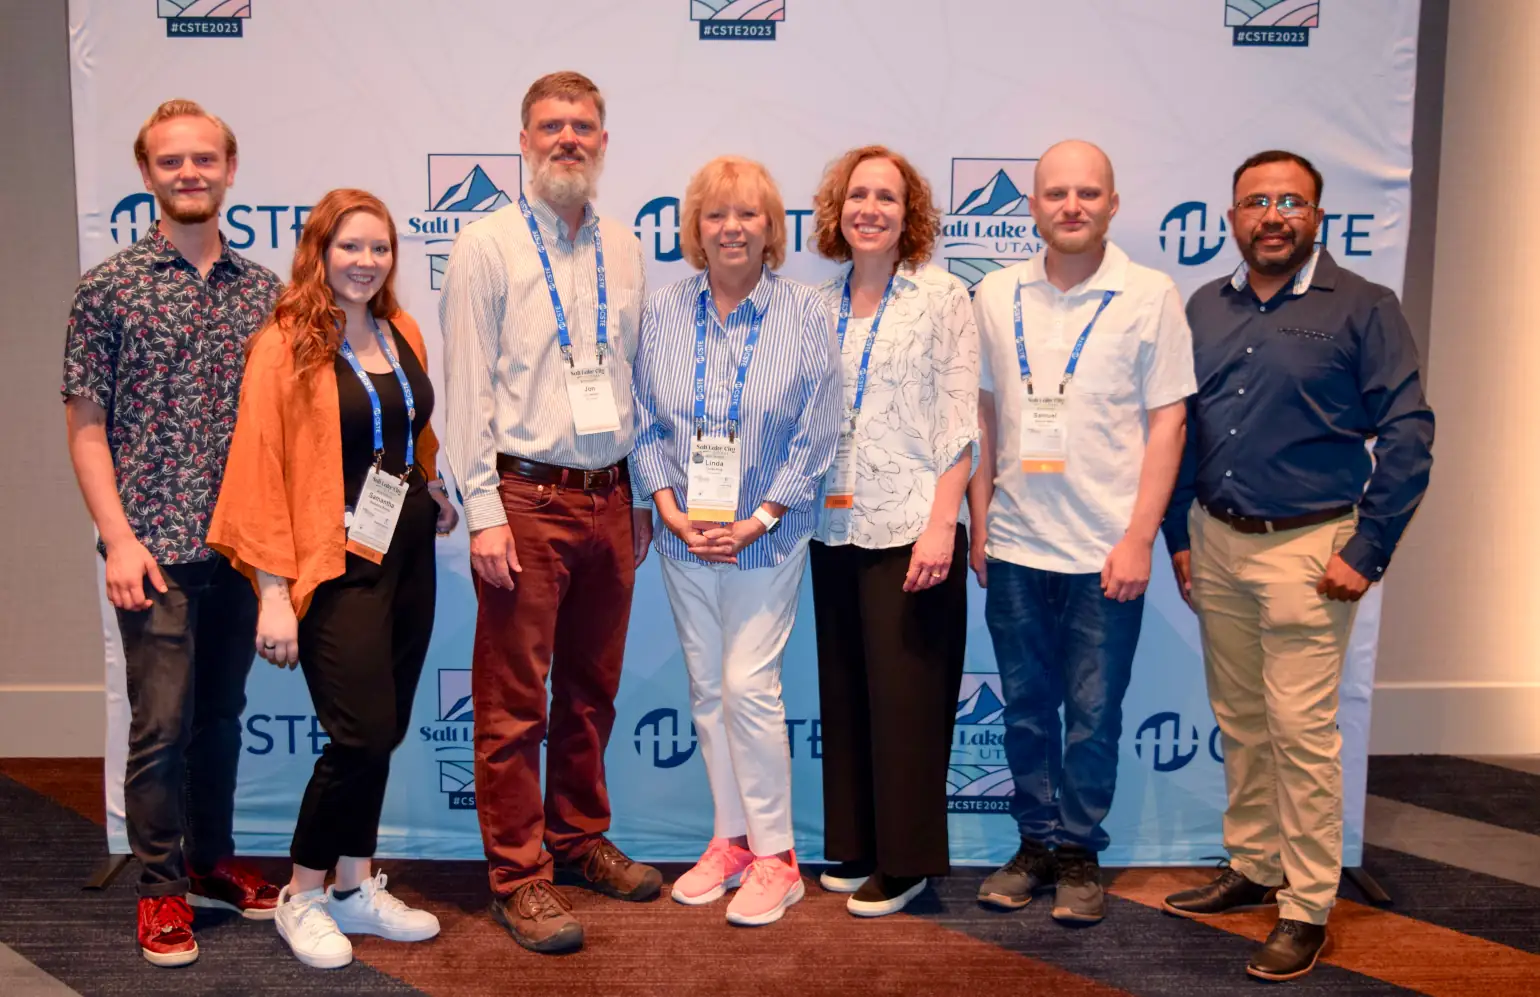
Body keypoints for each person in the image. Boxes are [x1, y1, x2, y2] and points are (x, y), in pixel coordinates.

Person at [1160, 150, 1434, 982]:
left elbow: (1410, 433)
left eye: (1290, 201)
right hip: (1216, 537)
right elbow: (1181, 433)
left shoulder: (1364, 307)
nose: (1272, 215)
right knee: (1241, 717)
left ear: (1316, 215)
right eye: (1255, 202)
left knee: (1302, 731)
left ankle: (1307, 904)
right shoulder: (1204, 306)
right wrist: (1178, 534)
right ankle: (1253, 863)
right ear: (1231, 217)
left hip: (1313, 550)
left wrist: (1368, 547)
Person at [439, 71, 659, 956]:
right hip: (524, 498)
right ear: (522, 140)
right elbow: (464, 394)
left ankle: (577, 839)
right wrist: (484, 511)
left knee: (592, 692)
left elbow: (634, 379)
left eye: (583, 126)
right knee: (513, 700)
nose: (567, 139)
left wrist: (640, 494)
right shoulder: (486, 245)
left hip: (610, 496)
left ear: (604, 141)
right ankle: (519, 876)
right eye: (550, 126)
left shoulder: (626, 244)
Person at [207, 189, 454, 969]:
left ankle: (355, 884)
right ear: (318, 250)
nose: (365, 262)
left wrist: (432, 485)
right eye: (350, 246)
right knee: (359, 732)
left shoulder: (399, 326)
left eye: (379, 248)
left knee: (385, 730)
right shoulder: (286, 342)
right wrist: (274, 591)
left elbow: (408, 424)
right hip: (332, 562)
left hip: (407, 550)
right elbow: (260, 463)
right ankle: (301, 891)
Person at [61, 99, 282, 967]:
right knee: (159, 728)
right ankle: (158, 891)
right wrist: (117, 536)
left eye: (204, 159)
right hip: (149, 551)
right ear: (148, 174)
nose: (189, 173)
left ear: (230, 169)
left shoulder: (265, 292)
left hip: (238, 550)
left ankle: (208, 860)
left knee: (222, 720)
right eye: (170, 162)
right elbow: (85, 424)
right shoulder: (108, 288)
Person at [967, 140, 1194, 924]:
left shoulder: (1150, 293)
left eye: (1088, 193)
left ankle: (1080, 852)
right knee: (1027, 710)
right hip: (1018, 546)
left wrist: (1140, 537)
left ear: (1113, 203)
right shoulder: (995, 294)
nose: (1072, 206)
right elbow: (987, 413)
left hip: (1107, 552)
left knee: (1094, 715)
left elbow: (1169, 422)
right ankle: (1033, 843)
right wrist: (978, 518)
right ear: (1031, 206)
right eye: (1056, 193)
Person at [631, 155, 841, 927]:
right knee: (710, 689)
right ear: (694, 229)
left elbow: (818, 434)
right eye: (716, 214)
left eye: (748, 213)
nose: (731, 228)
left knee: (751, 688)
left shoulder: (806, 313)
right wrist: (671, 510)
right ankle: (730, 839)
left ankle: (779, 858)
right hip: (685, 539)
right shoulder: (661, 312)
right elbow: (642, 420)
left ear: (771, 228)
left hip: (766, 539)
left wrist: (760, 517)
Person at [805, 146, 978, 917]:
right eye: (857, 195)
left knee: (908, 700)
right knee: (846, 694)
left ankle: (906, 862)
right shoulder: (814, 305)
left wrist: (944, 523)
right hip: (829, 525)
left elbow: (959, 422)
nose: (870, 208)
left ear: (911, 216)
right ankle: (859, 840)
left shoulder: (942, 297)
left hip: (912, 523)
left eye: (888, 197)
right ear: (837, 209)